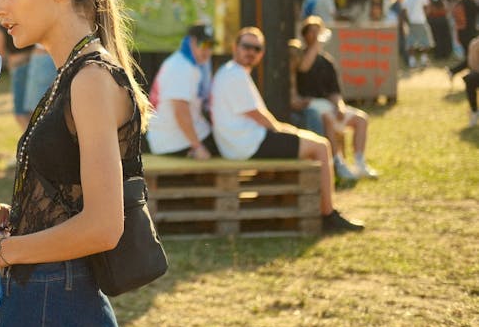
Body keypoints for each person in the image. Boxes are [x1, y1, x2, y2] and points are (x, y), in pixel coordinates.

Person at [0, 0, 151, 327]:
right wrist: (7, 215)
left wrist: (2, 251)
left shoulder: (92, 79)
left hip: (57, 302)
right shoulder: (70, 75)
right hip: (37, 296)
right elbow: (70, 209)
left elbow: (103, 227)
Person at [209, 26, 365, 233]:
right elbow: (261, 118)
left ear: (261, 54)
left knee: (307, 140)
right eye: (246, 46)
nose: (251, 52)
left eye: (256, 48)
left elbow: (257, 117)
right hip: (247, 144)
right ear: (235, 47)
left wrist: (286, 130)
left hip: (243, 141)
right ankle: (328, 214)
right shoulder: (235, 75)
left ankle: (309, 204)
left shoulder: (229, 72)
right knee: (321, 146)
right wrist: (285, 130)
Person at [296, 16, 379, 180]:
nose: (315, 35)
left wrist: (340, 106)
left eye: (318, 31)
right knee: (327, 118)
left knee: (361, 119)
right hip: (311, 105)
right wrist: (316, 45)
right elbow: (304, 68)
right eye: (311, 31)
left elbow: (334, 91)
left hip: (328, 105)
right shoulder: (299, 56)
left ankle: (360, 162)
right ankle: (337, 162)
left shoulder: (327, 62)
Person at [146, 22, 219, 159]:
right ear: (192, 41)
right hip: (174, 142)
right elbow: (180, 112)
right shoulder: (180, 67)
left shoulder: (190, 62)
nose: (207, 50)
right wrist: (198, 147)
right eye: (204, 44)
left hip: (177, 137)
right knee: (233, 146)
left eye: (211, 46)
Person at [0, 23, 34, 131]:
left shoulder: (1, 26)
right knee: (32, 112)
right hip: (34, 63)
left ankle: (32, 145)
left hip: (19, 68)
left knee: (20, 114)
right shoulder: (22, 19)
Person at [449, 0, 479, 83]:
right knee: (471, 58)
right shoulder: (469, 3)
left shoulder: (463, 2)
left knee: (470, 58)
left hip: (465, 33)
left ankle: (454, 72)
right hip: (467, 34)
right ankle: (467, 77)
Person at [401, 0, 433, 68]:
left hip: (411, 22)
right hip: (421, 21)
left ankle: (412, 61)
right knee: (426, 41)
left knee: (411, 42)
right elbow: (427, 7)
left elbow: (403, 11)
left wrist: (407, 21)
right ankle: (423, 59)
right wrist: (425, 15)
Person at [463, 35, 479, 128]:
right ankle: (474, 111)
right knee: (470, 79)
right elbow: (471, 64)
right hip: (475, 74)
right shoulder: (475, 43)